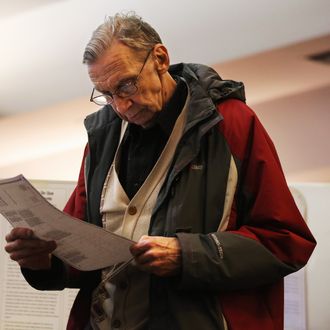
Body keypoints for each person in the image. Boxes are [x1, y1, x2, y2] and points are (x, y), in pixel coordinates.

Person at [5, 12, 316, 330]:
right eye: (108, 95)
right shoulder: (103, 138)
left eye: (127, 85)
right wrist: (44, 260)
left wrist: (188, 255)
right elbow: (83, 251)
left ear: (160, 58)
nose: (122, 106)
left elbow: (286, 241)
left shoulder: (232, 125)